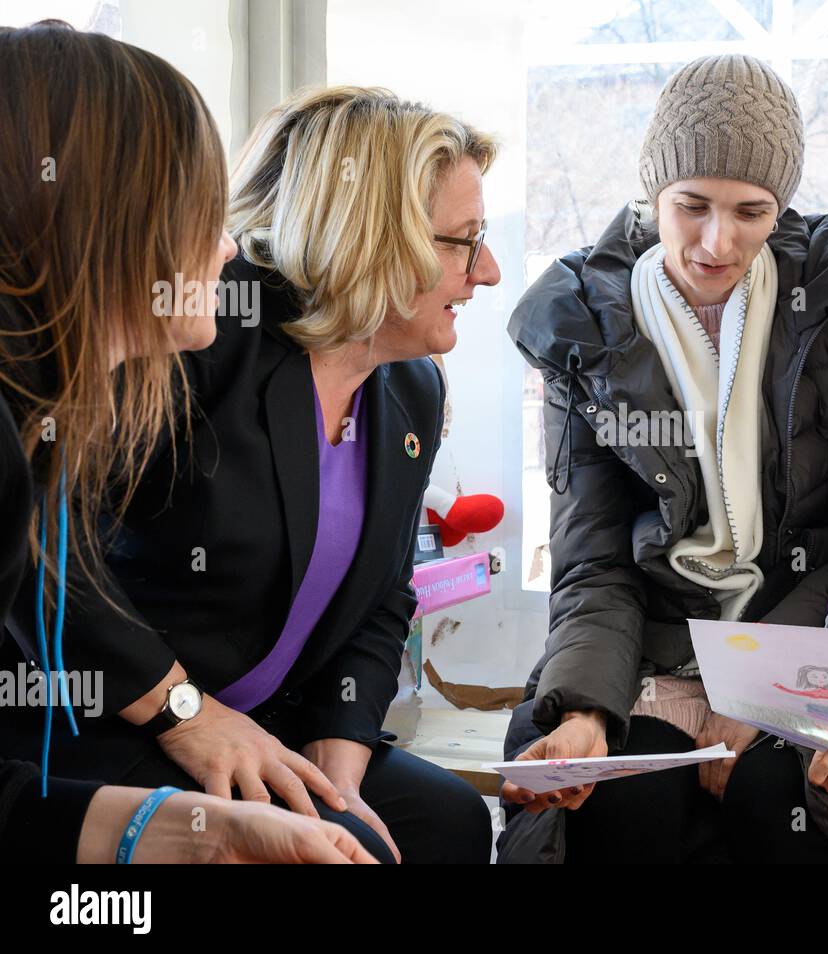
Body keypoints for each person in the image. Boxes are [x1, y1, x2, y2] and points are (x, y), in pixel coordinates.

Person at [0, 85, 502, 864]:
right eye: (463, 242)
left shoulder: (413, 388)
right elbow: (47, 556)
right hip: (106, 715)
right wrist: (189, 716)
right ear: (370, 236)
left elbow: (382, 602)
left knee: (445, 822)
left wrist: (344, 756)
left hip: (266, 718)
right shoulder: (198, 335)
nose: (490, 271)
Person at [500, 54, 828, 863]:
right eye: (693, 206)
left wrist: (761, 687)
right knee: (623, 813)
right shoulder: (584, 333)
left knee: (776, 811)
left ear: (782, 207)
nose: (719, 242)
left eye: (752, 212)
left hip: (798, 634)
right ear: (652, 195)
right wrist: (583, 710)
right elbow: (595, 559)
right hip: (649, 646)